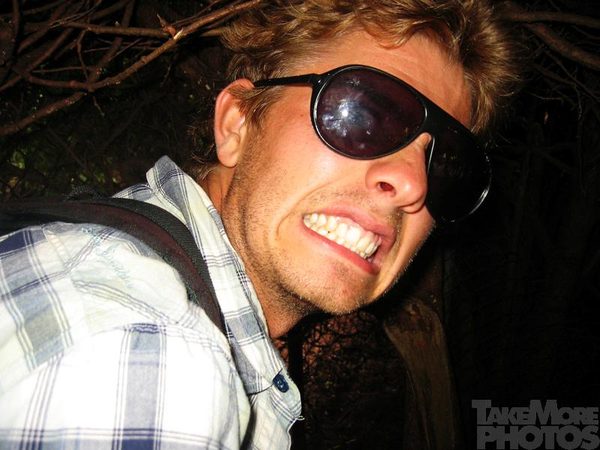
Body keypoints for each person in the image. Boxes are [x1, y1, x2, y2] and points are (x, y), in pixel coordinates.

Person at [0, 0, 518, 448]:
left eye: (445, 163)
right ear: (238, 124)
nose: (411, 183)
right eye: (362, 113)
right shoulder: (146, 350)